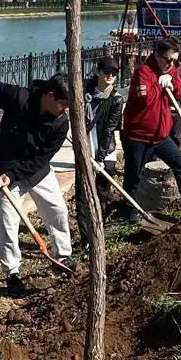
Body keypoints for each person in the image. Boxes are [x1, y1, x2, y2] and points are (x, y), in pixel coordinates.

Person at [0, 73, 73, 298]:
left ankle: (63, 255)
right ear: (49, 95)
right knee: (7, 222)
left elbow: (42, 158)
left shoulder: (61, 122)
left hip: (37, 171)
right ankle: (12, 273)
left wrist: (14, 174)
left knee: (57, 209)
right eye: (62, 103)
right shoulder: (19, 98)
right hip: (4, 166)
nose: (64, 109)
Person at [120, 39, 181, 219]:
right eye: (167, 60)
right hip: (137, 136)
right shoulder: (143, 72)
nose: (171, 64)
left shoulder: (170, 70)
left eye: (174, 61)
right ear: (156, 55)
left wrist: (172, 81)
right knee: (134, 174)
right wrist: (159, 83)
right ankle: (130, 212)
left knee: (180, 160)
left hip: (160, 135)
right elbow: (145, 101)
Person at [76, 57, 123, 251]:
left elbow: (109, 131)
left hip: (105, 154)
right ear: (98, 72)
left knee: (102, 194)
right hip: (84, 151)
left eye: (114, 73)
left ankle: (99, 232)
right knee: (82, 196)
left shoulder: (116, 99)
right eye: (106, 72)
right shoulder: (84, 91)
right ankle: (85, 239)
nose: (110, 76)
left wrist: (101, 159)